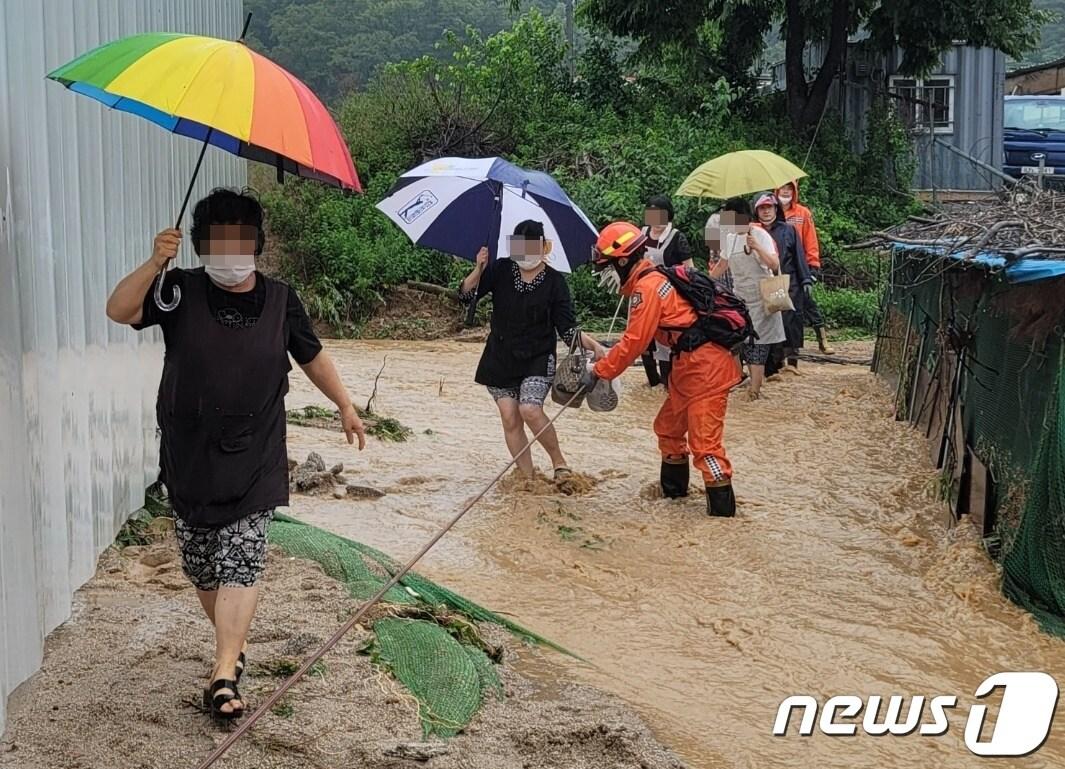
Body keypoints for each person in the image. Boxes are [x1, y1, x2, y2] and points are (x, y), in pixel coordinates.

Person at [104, 188, 366, 721]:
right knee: (202, 565)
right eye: (218, 241)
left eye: (240, 240)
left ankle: (224, 674)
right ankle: (233, 645)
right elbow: (119, 310)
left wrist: (345, 405)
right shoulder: (177, 289)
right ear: (201, 245)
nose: (229, 252)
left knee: (242, 558)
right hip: (188, 452)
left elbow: (311, 355)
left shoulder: (281, 300)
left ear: (257, 244)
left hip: (256, 453)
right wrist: (155, 262)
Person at [582, 222, 740, 517]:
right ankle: (674, 502)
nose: (607, 274)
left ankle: (723, 521)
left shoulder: (647, 289)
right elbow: (635, 340)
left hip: (706, 370)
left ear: (623, 261)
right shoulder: (650, 283)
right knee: (668, 429)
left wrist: (598, 372)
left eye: (607, 266)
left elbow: (634, 343)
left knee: (706, 447)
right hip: (688, 367)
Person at [460, 220, 605, 482]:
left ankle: (559, 463)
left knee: (530, 409)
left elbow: (567, 329)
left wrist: (593, 345)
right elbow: (465, 296)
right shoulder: (501, 269)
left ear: (543, 247)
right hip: (500, 357)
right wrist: (478, 268)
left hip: (538, 357)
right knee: (509, 417)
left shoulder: (555, 282)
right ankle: (527, 479)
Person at [706, 198, 784, 400]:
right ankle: (739, 378)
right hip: (739, 298)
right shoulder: (730, 239)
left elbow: (774, 264)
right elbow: (722, 265)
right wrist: (703, 283)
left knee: (757, 345)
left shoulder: (760, 235)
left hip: (762, 298)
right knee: (735, 341)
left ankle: (755, 391)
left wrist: (757, 247)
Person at [754, 193, 812, 377]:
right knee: (770, 322)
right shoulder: (753, 232)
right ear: (756, 211)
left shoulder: (788, 230)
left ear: (775, 209)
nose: (766, 212)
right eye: (762, 208)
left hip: (789, 281)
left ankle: (793, 360)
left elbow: (798, 256)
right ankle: (774, 364)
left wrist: (806, 278)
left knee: (791, 320)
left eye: (769, 208)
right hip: (764, 283)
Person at [639, 195, 694, 389]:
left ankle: (667, 382)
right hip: (643, 294)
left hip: (668, 295)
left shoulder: (677, 237)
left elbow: (689, 270)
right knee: (641, 337)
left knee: (665, 341)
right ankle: (651, 381)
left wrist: (662, 270)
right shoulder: (641, 234)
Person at [777, 180, 834, 354]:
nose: (786, 192)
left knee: (807, 302)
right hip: (777, 266)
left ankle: (822, 339)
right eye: (783, 188)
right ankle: (782, 347)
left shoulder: (803, 213)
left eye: (789, 188)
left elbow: (811, 240)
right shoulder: (769, 212)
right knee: (778, 306)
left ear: (795, 191)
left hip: (799, 266)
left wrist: (813, 265)